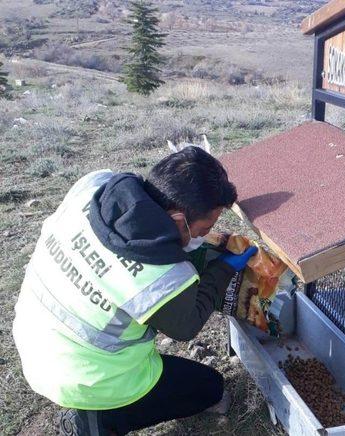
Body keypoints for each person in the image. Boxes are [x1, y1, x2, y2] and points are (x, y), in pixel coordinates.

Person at [12, 147, 257, 435]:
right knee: (210, 388)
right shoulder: (162, 277)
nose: (204, 236)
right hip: (87, 377)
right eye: (205, 227)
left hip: (33, 338)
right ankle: (95, 424)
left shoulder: (94, 186)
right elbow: (186, 325)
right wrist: (222, 269)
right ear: (178, 220)